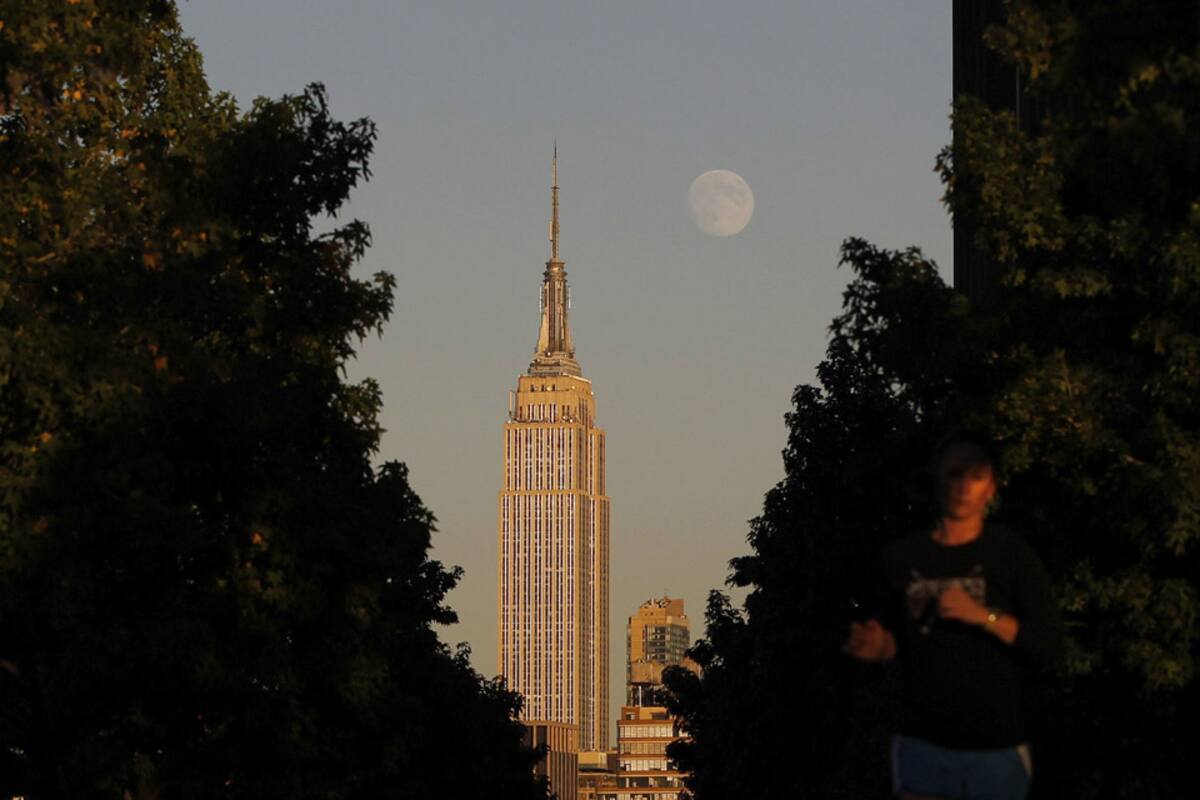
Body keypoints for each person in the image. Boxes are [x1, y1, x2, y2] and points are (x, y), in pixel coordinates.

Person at [843, 431, 1064, 800]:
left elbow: (1048, 644)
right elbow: (895, 643)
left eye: (976, 475)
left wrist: (983, 616)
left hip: (998, 749)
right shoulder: (900, 558)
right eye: (954, 473)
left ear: (991, 487)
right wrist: (877, 647)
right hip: (923, 746)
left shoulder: (1009, 553)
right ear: (936, 478)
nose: (963, 486)